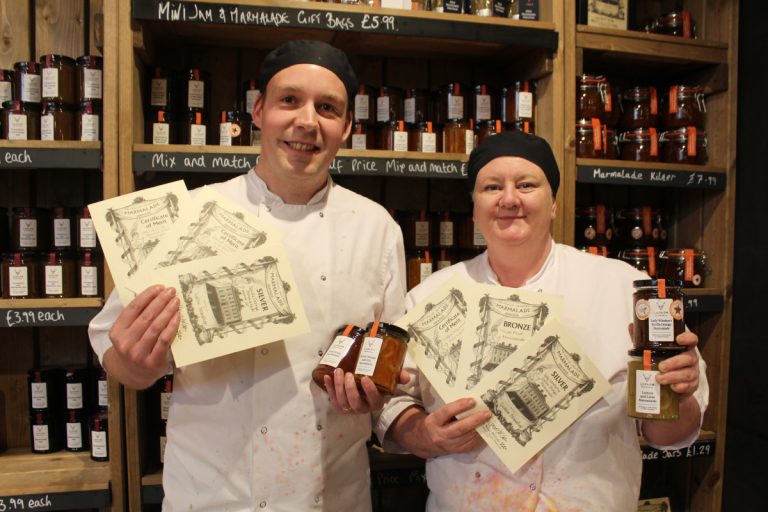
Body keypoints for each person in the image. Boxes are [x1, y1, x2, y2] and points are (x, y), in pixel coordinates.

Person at [88, 40, 407, 511]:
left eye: (328, 108)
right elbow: (117, 359)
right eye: (289, 101)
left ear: (346, 128)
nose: (307, 121)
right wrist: (137, 362)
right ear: (258, 111)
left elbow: (392, 366)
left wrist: (371, 395)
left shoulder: (377, 228)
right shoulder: (192, 215)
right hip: (212, 494)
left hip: (332, 496)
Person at [376, 131, 709, 511]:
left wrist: (677, 396)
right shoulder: (430, 296)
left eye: (526, 184)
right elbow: (393, 405)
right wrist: (425, 434)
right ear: (474, 207)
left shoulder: (624, 288)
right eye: (491, 187)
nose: (509, 199)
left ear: (553, 203)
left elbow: (668, 435)